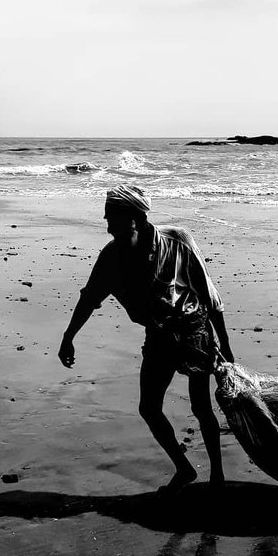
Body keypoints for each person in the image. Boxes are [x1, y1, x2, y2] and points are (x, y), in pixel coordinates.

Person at [58, 184, 234, 490]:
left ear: (137, 219)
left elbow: (209, 294)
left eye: (115, 220)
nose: (109, 228)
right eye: (107, 219)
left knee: (201, 407)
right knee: (149, 408)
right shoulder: (111, 257)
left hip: (194, 329)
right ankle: (185, 469)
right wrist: (68, 336)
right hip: (158, 334)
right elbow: (89, 298)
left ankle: (217, 475)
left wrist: (226, 347)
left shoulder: (177, 240)